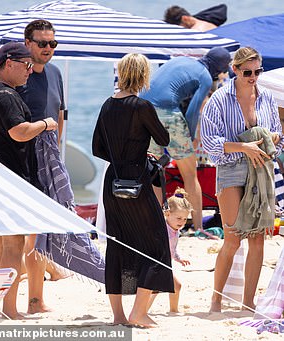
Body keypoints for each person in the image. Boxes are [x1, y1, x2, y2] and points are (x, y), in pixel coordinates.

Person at [92, 53, 174, 328]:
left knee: (118, 244)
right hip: (136, 181)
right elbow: (163, 139)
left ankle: (118, 316)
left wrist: (120, 157)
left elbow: (97, 149)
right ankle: (138, 312)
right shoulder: (141, 106)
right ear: (142, 76)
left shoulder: (107, 104)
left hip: (112, 180)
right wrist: (138, 155)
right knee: (156, 244)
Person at [200, 46, 284, 312]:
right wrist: (243, 147)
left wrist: (274, 139)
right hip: (231, 168)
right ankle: (216, 299)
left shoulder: (267, 97)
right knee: (233, 237)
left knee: (258, 238)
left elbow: (277, 133)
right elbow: (209, 142)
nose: (253, 77)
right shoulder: (220, 99)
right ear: (234, 70)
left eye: (258, 71)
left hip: (261, 169)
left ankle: (248, 302)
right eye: (247, 72)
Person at [0, 41, 58, 319]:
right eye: (26, 65)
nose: (30, 71)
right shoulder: (6, 96)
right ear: (8, 64)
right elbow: (19, 132)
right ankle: (10, 309)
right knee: (13, 245)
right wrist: (46, 124)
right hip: (11, 180)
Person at [140, 47, 231, 230]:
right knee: (190, 174)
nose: (222, 74)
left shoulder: (183, 60)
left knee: (156, 171)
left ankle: (156, 227)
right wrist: (190, 135)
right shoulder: (205, 77)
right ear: (219, 68)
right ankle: (199, 229)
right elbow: (193, 110)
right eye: (223, 71)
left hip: (143, 109)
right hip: (167, 113)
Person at [16, 19, 70, 315]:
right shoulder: (18, 76)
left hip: (49, 162)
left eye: (53, 43)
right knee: (19, 235)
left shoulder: (55, 72)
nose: (48, 48)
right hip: (19, 161)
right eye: (42, 43)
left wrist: (57, 154)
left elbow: (60, 113)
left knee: (42, 232)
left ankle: (35, 300)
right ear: (28, 43)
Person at [148, 187, 191, 313]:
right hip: (156, 264)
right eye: (179, 218)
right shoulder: (162, 228)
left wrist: (178, 258)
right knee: (154, 290)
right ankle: (142, 312)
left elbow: (172, 248)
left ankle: (173, 310)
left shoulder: (176, 230)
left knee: (174, 287)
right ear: (167, 214)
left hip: (165, 264)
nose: (182, 222)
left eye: (185, 219)